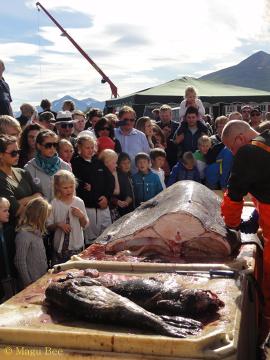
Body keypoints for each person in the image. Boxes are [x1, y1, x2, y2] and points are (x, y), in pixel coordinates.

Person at [220, 120, 270, 337]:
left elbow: (233, 197)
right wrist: (259, 216)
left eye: (232, 148)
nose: (233, 153)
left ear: (240, 139)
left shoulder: (248, 151)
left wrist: (231, 224)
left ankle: (265, 336)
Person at [0, 135, 42, 283]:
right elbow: (15, 209)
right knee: (20, 274)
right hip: (12, 234)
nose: (17, 155)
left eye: (18, 151)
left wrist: (23, 201)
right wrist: (32, 198)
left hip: (32, 228)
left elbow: (41, 197)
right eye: (13, 153)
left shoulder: (22, 172)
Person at [71, 135, 114, 244]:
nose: (90, 150)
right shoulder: (75, 163)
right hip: (88, 208)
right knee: (91, 242)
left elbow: (110, 181)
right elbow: (78, 184)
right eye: (87, 148)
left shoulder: (98, 162)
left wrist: (106, 198)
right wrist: (88, 187)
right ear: (79, 148)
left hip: (103, 207)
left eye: (92, 147)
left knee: (107, 239)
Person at [47, 170, 88, 265]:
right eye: (65, 188)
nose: (69, 190)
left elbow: (85, 225)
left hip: (77, 248)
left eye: (71, 187)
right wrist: (58, 224)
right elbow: (48, 226)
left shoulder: (79, 202)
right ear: (57, 187)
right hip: (59, 250)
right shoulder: (54, 203)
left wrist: (81, 216)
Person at [24, 129, 71, 202]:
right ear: (39, 146)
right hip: (42, 212)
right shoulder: (29, 168)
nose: (52, 148)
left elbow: (72, 194)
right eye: (48, 145)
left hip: (61, 211)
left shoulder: (65, 167)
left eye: (55, 145)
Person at [14, 197, 51, 288]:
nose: (47, 219)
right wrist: (28, 283)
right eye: (46, 216)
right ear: (39, 217)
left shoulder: (36, 232)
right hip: (31, 283)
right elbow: (19, 261)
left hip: (41, 279)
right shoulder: (24, 235)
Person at [115, 106, 150, 173]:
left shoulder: (141, 136)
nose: (128, 122)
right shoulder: (113, 133)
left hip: (136, 176)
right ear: (119, 119)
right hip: (116, 175)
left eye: (132, 120)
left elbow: (146, 156)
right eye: (125, 120)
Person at [99, 149, 120, 222]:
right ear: (106, 163)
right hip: (104, 208)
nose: (116, 165)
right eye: (114, 163)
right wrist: (115, 175)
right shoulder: (105, 175)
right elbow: (116, 191)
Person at [0, 197, 14, 302]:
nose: (8, 213)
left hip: (12, 276)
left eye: (8, 210)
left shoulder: (9, 229)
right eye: (5, 211)